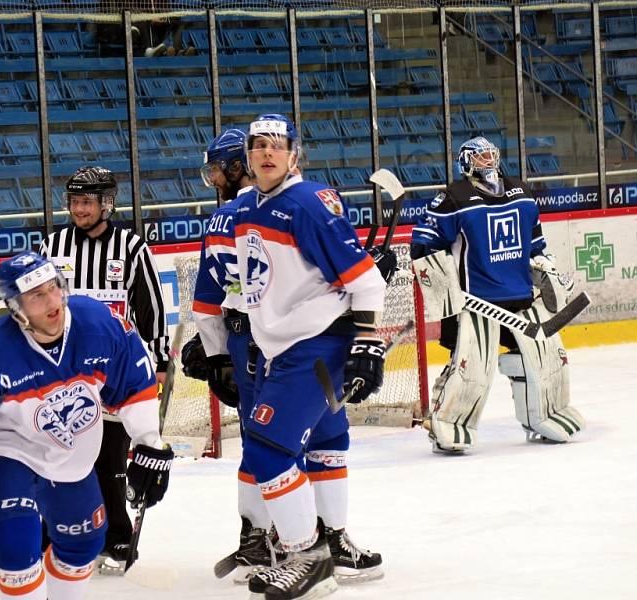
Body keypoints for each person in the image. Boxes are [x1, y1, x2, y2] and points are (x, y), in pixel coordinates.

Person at [0, 252, 174, 600]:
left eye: (53, 288)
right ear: (16, 307)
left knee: (84, 544)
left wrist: (148, 443)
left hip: (68, 454)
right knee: (16, 549)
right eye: (36, 295)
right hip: (3, 451)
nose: (52, 301)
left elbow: (133, 381)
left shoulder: (97, 323)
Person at [232, 114, 393, 600]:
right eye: (258, 145)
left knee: (266, 448)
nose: (266, 153)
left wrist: (366, 344)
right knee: (326, 443)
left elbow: (366, 281)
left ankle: (308, 556)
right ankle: (335, 542)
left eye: (276, 146)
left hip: (316, 346)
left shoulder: (306, 202)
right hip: (288, 346)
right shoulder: (249, 207)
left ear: (294, 154)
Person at [410, 136, 585, 454]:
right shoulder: (454, 197)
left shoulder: (522, 192)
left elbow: (534, 242)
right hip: (476, 302)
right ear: (466, 162)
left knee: (548, 359)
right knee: (471, 369)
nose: (487, 161)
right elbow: (424, 241)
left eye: (491, 154)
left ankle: (546, 414)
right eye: (479, 156)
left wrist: (542, 263)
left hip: (521, 296)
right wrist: (440, 282)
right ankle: (448, 424)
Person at [39, 166, 170, 572]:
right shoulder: (52, 246)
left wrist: (160, 360)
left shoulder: (131, 247)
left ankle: (116, 535)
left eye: (87, 202)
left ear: (106, 204)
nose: (78, 209)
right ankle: (54, 533)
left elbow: (151, 306)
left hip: (112, 369)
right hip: (64, 369)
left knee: (110, 459)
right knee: (59, 455)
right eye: (74, 202)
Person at [182, 128, 279, 582]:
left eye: (218, 169)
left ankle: (262, 538)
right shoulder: (277, 206)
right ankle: (285, 536)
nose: (214, 179)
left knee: (261, 439)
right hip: (280, 337)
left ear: (237, 167)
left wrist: (217, 351)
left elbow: (207, 299)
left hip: (246, 338)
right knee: (284, 437)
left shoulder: (227, 216)